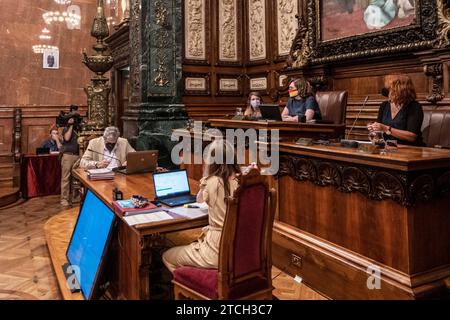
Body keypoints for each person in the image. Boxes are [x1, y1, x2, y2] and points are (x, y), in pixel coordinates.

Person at [162, 139, 241, 272]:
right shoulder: (239, 181)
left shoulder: (212, 182)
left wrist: (207, 175)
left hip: (216, 250)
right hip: (239, 249)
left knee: (167, 256)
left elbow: (199, 200)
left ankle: (195, 284)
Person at [367, 74, 424, 146]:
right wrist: (374, 127)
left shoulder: (414, 107)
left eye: (389, 89)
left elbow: (411, 137)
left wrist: (386, 128)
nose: (386, 92)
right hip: (388, 147)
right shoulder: (384, 105)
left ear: (399, 90)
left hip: (409, 149)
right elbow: (379, 129)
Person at [60, 116, 80, 207]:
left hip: (78, 156)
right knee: (66, 178)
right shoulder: (66, 129)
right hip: (68, 155)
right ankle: (64, 199)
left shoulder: (78, 130)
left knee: (77, 178)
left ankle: (75, 198)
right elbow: (67, 138)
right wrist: (71, 126)